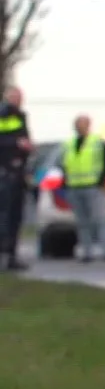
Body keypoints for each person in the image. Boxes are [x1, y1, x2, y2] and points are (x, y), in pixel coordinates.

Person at [61, 114, 105, 263]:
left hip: (93, 187)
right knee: (82, 223)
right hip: (74, 187)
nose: (79, 126)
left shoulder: (97, 142)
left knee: (99, 220)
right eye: (77, 124)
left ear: (89, 125)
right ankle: (87, 253)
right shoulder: (69, 143)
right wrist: (65, 183)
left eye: (82, 123)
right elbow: (64, 165)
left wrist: (100, 182)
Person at [0, 86, 31, 271]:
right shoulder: (3, 115)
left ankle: (12, 256)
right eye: (14, 97)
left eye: (20, 97)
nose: (17, 100)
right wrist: (16, 143)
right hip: (5, 173)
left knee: (15, 217)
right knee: (5, 216)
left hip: (18, 172)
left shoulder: (21, 116)